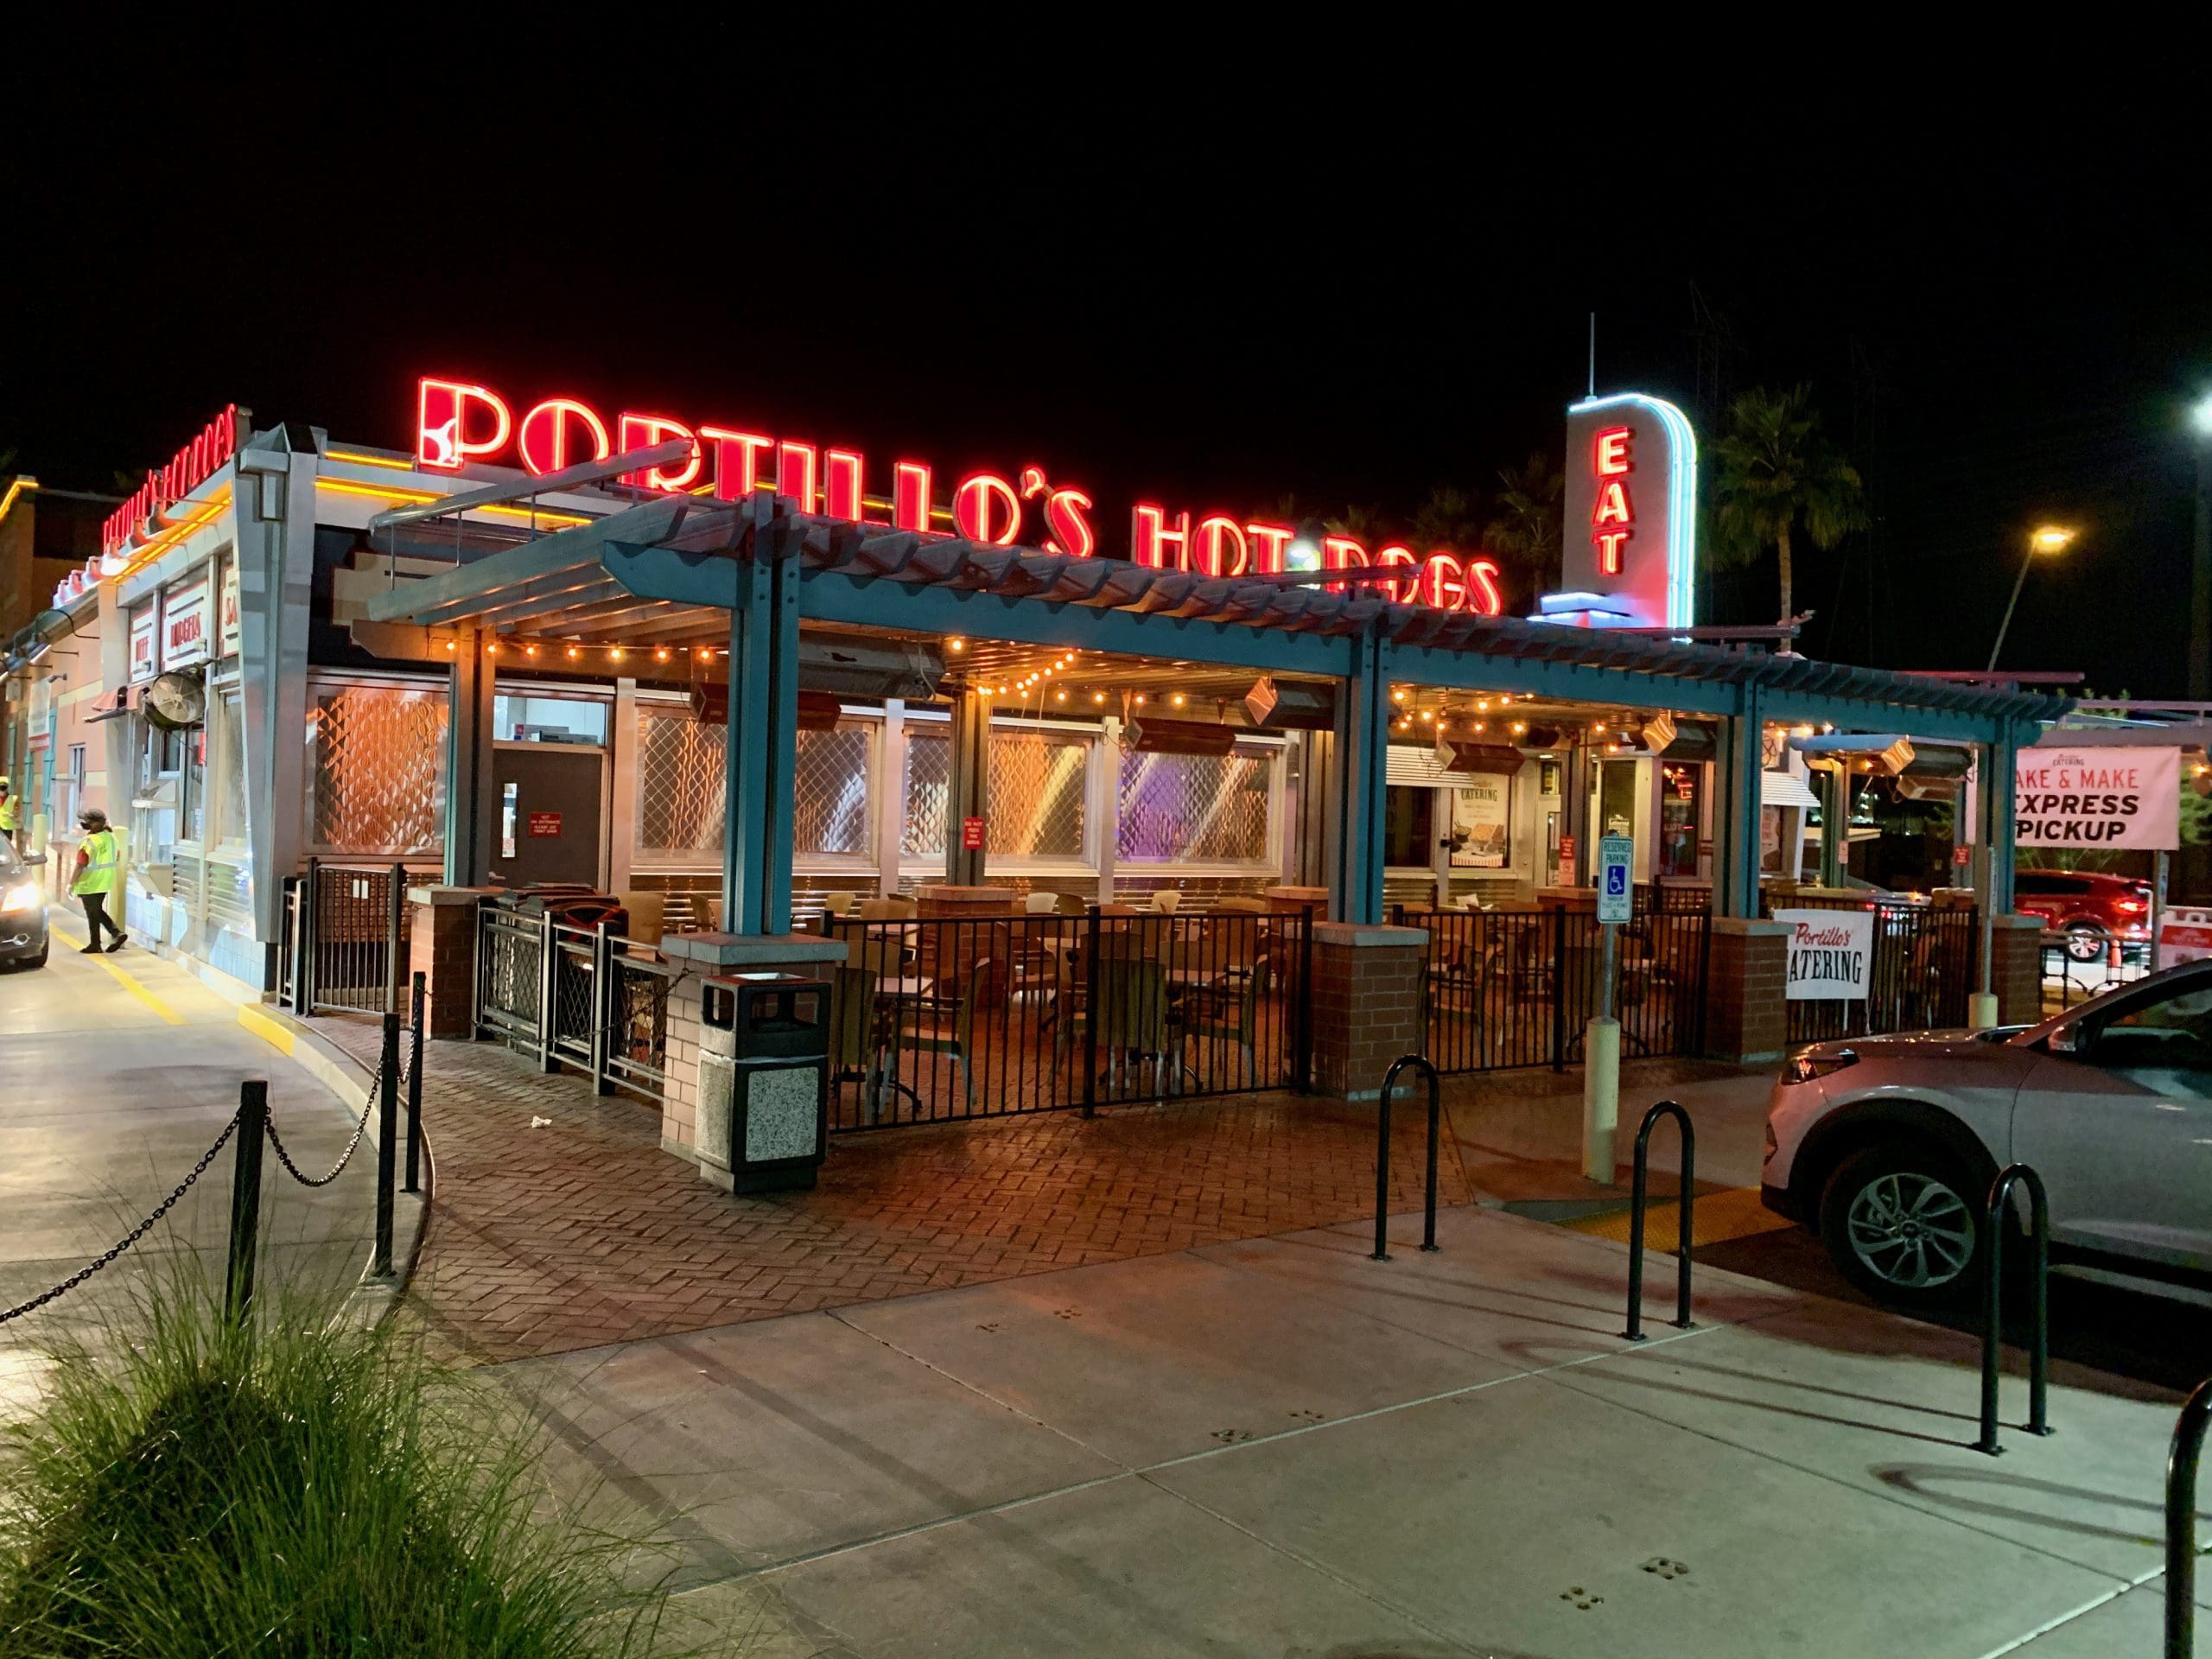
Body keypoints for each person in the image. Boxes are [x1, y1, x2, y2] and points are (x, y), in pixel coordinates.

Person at [70, 808, 125, 954]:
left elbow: (80, 864)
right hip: (105, 880)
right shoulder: (111, 837)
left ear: (94, 824)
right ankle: (101, 941)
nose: (84, 823)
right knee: (95, 911)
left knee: (93, 912)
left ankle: (112, 935)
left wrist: (71, 883)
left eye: (86, 821)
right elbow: (117, 856)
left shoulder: (89, 841)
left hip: (89, 882)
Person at [0, 780, 16, 852]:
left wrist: (11, 815)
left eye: (3, 788)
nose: (2, 791)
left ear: (6, 789)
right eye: (0, 788)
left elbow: (17, 813)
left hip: (7, 827)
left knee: (7, 847)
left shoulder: (13, 799)